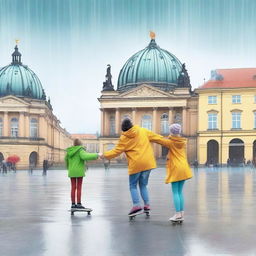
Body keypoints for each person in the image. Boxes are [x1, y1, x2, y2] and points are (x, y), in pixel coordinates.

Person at [103, 118, 164, 216]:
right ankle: (147, 205)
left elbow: (116, 151)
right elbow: (158, 138)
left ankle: (136, 205)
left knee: (133, 186)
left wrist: (104, 155)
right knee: (143, 185)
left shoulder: (124, 138)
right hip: (148, 163)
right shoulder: (142, 131)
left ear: (123, 128)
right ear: (131, 125)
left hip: (136, 164)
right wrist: (171, 143)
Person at [155, 123, 193, 222]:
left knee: (175, 192)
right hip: (184, 167)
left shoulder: (171, 142)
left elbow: (159, 140)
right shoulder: (183, 142)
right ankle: (181, 213)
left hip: (176, 168)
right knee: (180, 192)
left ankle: (177, 214)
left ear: (171, 132)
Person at [65, 138, 101, 210]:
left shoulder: (69, 151)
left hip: (71, 171)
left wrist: (69, 168)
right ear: (80, 144)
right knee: (79, 187)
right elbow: (85, 156)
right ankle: (78, 203)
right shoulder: (80, 150)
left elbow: (66, 160)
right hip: (79, 171)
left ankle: (73, 204)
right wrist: (97, 154)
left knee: (73, 187)